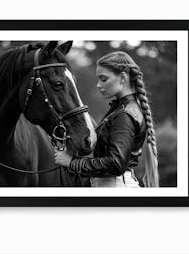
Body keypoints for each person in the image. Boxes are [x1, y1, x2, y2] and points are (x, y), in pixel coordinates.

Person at [54, 51, 159, 187]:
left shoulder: (124, 114)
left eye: (103, 79)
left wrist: (72, 162)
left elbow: (115, 164)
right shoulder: (121, 109)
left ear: (122, 78)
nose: (98, 85)